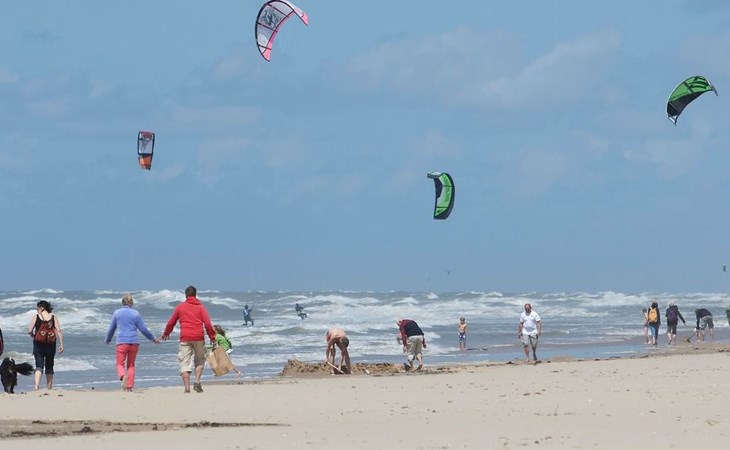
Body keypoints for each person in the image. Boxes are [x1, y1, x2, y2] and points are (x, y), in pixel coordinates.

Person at [160, 286, 216, 394]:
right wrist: (212, 337)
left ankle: (187, 388)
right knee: (200, 360)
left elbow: (171, 322)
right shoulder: (201, 307)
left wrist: (166, 333)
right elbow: (208, 324)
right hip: (199, 337)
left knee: (184, 363)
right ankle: (197, 382)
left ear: (186, 295)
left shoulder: (180, 307)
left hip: (185, 337)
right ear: (195, 294)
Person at [105, 293, 160, 391]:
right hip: (134, 342)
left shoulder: (117, 313)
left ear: (122, 302)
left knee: (119, 364)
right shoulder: (136, 314)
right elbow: (143, 329)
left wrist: (108, 339)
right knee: (131, 365)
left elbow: (111, 329)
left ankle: (123, 376)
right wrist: (153, 339)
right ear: (132, 303)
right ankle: (129, 387)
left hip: (122, 342)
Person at [27, 300, 64, 390]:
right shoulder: (53, 317)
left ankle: (36, 386)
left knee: (39, 365)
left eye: (38, 308)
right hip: (51, 344)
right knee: (49, 366)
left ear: (42, 308)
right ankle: (49, 388)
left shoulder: (36, 317)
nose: (37, 309)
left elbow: (29, 330)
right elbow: (58, 330)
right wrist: (61, 344)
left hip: (38, 344)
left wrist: (33, 336)